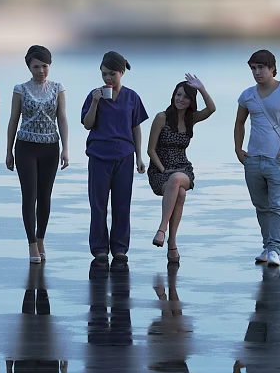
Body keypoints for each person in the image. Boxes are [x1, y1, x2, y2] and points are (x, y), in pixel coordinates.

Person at [234, 50, 280, 267]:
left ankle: (275, 249)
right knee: (261, 206)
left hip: (277, 159)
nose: (257, 72)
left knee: (277, 206)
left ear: (272, 68)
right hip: (253, 159)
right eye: (253, 68)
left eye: (261, 68)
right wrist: (238, 149)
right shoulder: (247, 95)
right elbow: (239, 123)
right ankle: (267, 245)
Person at [81, 51, 148, 263]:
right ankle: (99, 248)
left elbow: (136, 127)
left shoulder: (132, 97)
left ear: (121, 72)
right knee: (98, 204)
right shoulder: (95, 95)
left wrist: (139, 157)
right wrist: (94, 102)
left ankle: (120, 247)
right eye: (103, 74)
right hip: (99, 156)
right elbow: (87, 124)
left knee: (121, 204)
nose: (107, 78)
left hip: (124, 156)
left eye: (112, 74)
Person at [5, 45, 69, 264]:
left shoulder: (58, 88)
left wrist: (66, 148)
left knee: (45, 196)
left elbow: (62, 118)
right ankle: (32, 243)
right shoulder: (20, 89)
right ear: (29, 67)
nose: (41, 70)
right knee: (29, 195)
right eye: (36, 67)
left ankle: (41, 238)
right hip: (25, 147)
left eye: (44, 66)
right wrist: (8, 151)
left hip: (50, 147)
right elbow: (13, 119)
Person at [147, 74, 216, 263]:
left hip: (183, 169)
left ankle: (162, 229)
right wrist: (162, 170)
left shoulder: (191, 118)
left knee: (177, 179)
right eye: (178, 95)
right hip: (160, 170)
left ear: (191, 101)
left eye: (186, 96)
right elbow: (150, 150)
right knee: (181, 194)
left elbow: (212, 109)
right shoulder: (161, 117)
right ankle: (172, 244)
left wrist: (201, 88)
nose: (181, 99)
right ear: (173, 96)